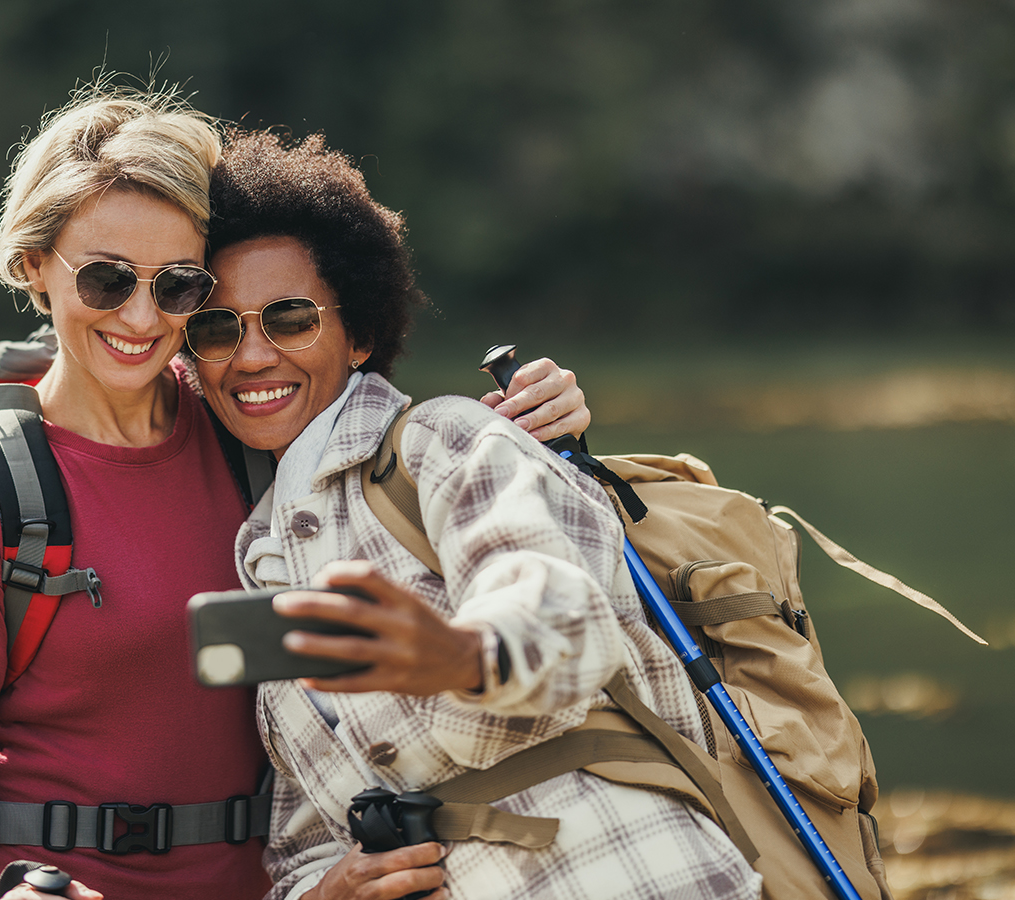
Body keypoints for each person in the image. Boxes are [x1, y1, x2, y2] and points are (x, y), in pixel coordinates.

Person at [0, 84, 588, 900]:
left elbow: (401, 443)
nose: (141, 318)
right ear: (35, 265)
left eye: (178, 287)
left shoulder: (249, 425)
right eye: (106, 280)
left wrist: (543, 420)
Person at [186, 129, 763, 900]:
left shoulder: (446, 438)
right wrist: (327, 891)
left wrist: (463, 653)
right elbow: (301, 845)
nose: (252, 357)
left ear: (358, 334)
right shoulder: (260, 552)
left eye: (290, 319)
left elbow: (562, 613)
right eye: (217, 329)